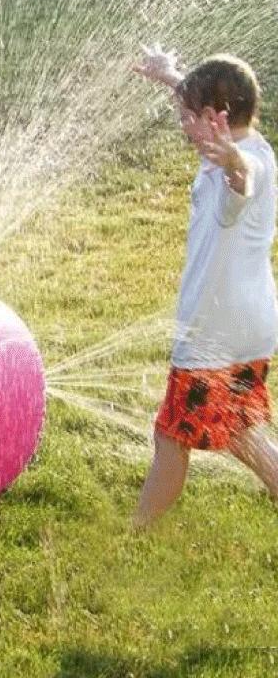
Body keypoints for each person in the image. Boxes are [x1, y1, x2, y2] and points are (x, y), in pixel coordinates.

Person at [132, 44, 278, 527]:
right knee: (239, 427)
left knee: (171, 437)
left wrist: (232, 166)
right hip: (250, 326)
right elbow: (237, 152)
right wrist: (172, 77)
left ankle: (134, 538)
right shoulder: (258, 147)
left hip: (212, 333)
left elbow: (242, 185)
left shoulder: (238, 165)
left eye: (187, 115)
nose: (182, 126)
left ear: (216, 118)